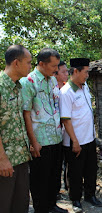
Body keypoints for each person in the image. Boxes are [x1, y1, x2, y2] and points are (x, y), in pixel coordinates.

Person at [20, 48, 68, 213]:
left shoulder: (52, 80)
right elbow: (26, 113)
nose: (56, 69)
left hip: (56, 136)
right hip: (40, 140)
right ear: (41, 64)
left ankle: (51, 205)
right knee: (40, 178)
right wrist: (33, 142)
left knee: (54, 176)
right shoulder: (28, 82)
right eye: (53, 66)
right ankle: (41, 209)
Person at [60, 58, 102, 212]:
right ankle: (75, 199)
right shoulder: (66, 92)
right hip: (75, 140)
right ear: (76, 71)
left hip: (89, 138)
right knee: (75, 172)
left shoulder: (84, 88)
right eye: (85, 72)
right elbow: (66, 119)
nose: (87, 76)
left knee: (91, 169)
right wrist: (75, 141)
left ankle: (90, 195)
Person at [0, 45, 32, 213]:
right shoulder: (0, 87)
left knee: (21, 204)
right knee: (4, 204)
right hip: (5, 161)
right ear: (16, 63)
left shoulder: (18, 86)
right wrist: (2, 159)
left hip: (20, 156)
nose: (30, 67)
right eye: (28, 62)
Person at [54, 60, 69, 199]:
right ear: (56, 73)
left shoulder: (68, 87)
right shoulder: (53, 89)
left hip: (67, 133)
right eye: (63, 71)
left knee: (66, 162)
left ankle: (68, 185)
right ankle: (55, 191)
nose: (67, 74)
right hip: (55, 133)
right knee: (56, 164)